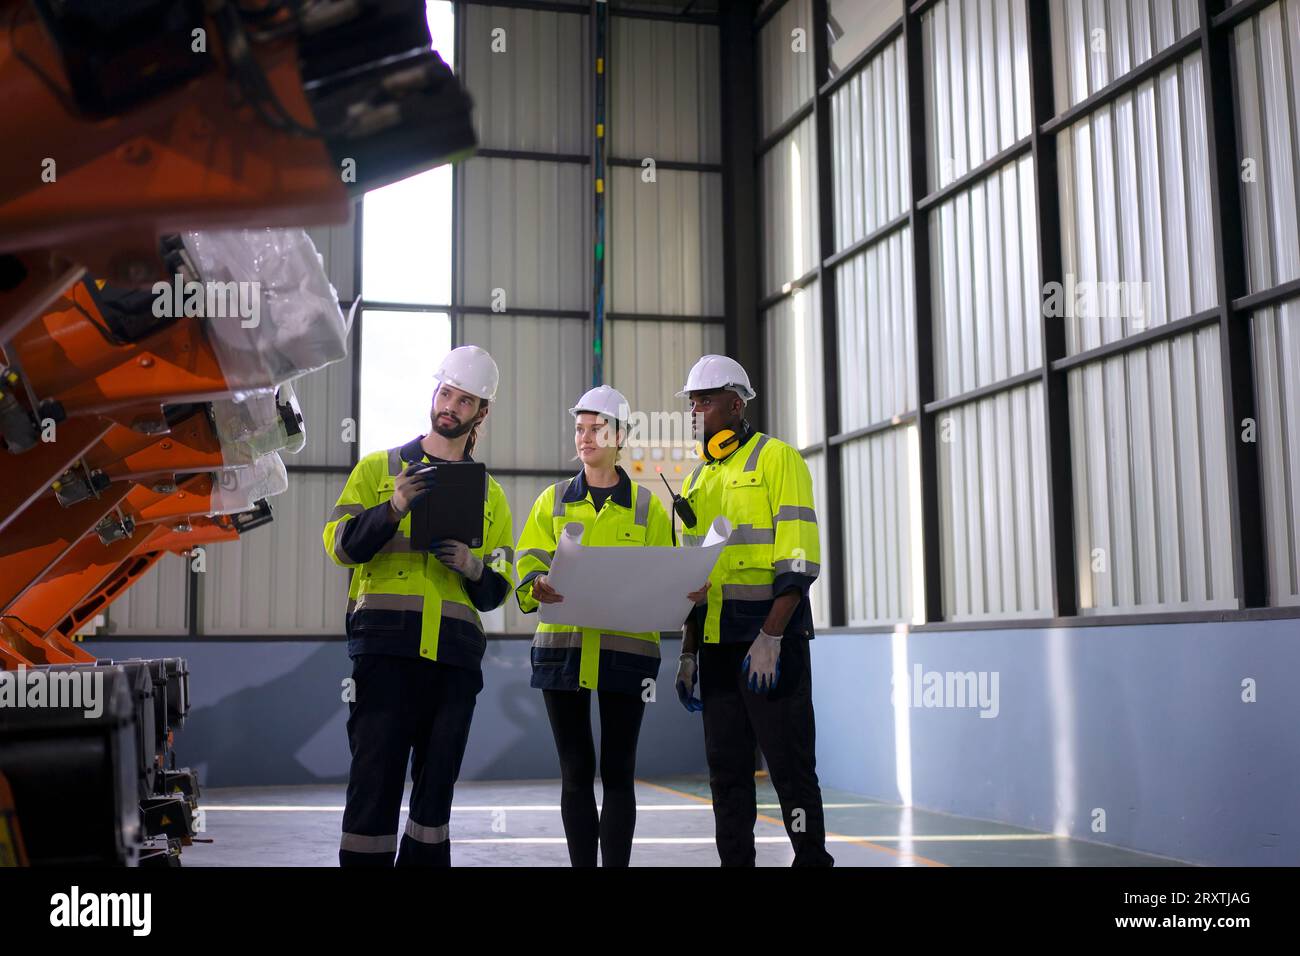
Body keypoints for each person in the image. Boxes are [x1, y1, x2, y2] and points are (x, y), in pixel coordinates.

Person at [322, 345, 514, 866]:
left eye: (465, 400)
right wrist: (393, 507)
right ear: (435, 393)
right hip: (385, 653)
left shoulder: (490, 495)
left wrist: (474, 568)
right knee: (372, 790)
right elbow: (340, 547)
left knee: (434, 803)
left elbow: (500, 590)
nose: (451, 406)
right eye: (446, 393)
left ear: (481, 413)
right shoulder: (376, 470)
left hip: (452, 662)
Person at [672, 354, 834, 867]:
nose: (696, 411)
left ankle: (811, 861)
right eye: (692, 403)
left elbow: (799, 556)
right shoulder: (698, 479)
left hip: (771, 643)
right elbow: (693, 578)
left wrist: (771, 637)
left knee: (790, 765)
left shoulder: (777, 459)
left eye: (706, 401)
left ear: (736, 404)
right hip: (718, 645)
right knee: (726, 770)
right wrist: (688, 653)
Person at [513, 384, 682, 867]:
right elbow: (526, 559)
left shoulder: (648, 507)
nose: (585, 439)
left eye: (596, 429)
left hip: (628, 655)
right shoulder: (552, 501)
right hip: (561, 652)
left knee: (618, 771)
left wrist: (686, 591)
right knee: (575, 770)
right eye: (580, 430)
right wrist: (536, 582)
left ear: (620, 436)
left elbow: (665, 574)